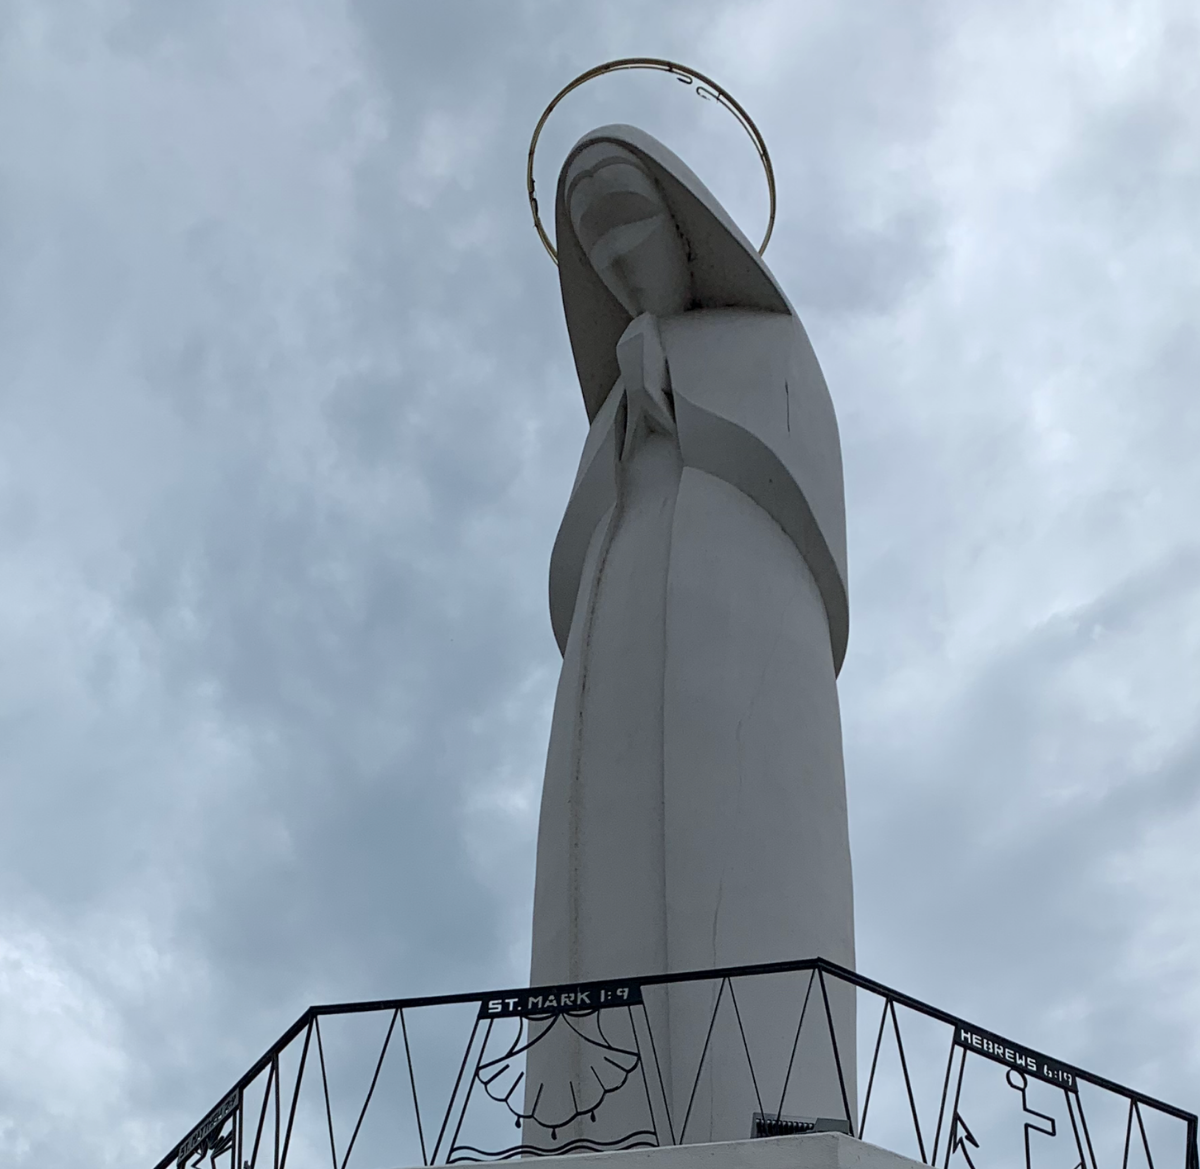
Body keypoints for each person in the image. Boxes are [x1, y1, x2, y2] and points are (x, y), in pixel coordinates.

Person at [523, 124, 856, 1152]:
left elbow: (806, 501)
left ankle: (760, 1101)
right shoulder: (611, 407)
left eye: (627, 218)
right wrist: (629, 422)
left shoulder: (766, 347)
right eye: (595, 240)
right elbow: (571, 562)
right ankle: (582, 1114)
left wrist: (674, 394)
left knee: (730, 835)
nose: (619, 256)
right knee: (599, 853)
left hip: (731, 611)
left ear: (681, 221)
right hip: (624, 639)